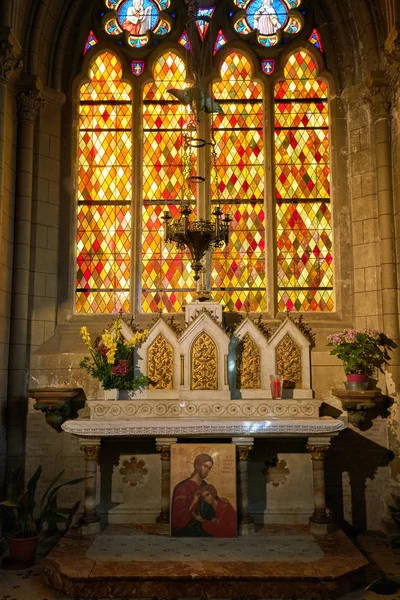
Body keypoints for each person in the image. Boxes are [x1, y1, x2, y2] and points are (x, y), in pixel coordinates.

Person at [171, 453, 214, 536]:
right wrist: (193, 502)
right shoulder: (183, 487)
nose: (207, 470)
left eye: (209, 468)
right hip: (188, 530)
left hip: (203, 527)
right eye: (205, 466)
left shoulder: (205, 485)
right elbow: (178, 519)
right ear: (198, 466)